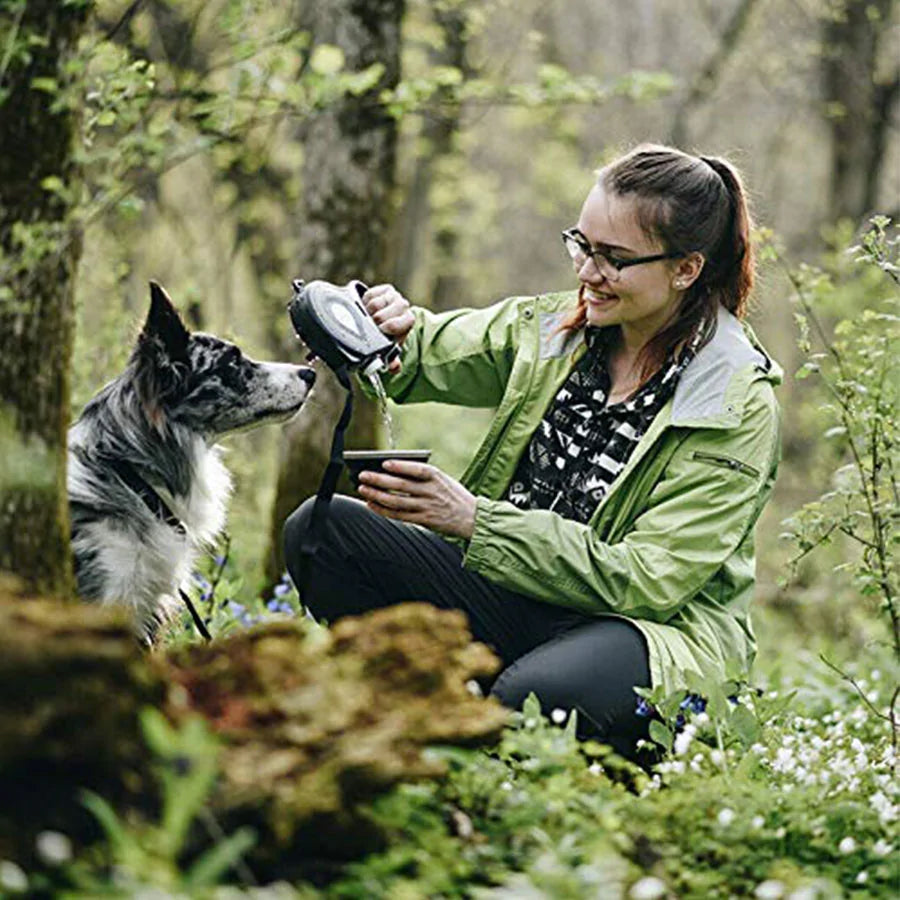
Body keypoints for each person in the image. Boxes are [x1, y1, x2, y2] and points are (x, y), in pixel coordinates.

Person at [283, 143, 782, 761]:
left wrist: (474, 521)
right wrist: (381, 330)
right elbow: (438, 349)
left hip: (649, 634)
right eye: (582, 245)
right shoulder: (565, 327)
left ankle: (542, 741)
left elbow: (649, 579)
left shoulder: (734, 402)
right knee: (321, 530)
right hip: (519, 594)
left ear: (686, 269)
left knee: (535, 697)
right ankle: (430, 725)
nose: (587, 273)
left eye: (615, 259)